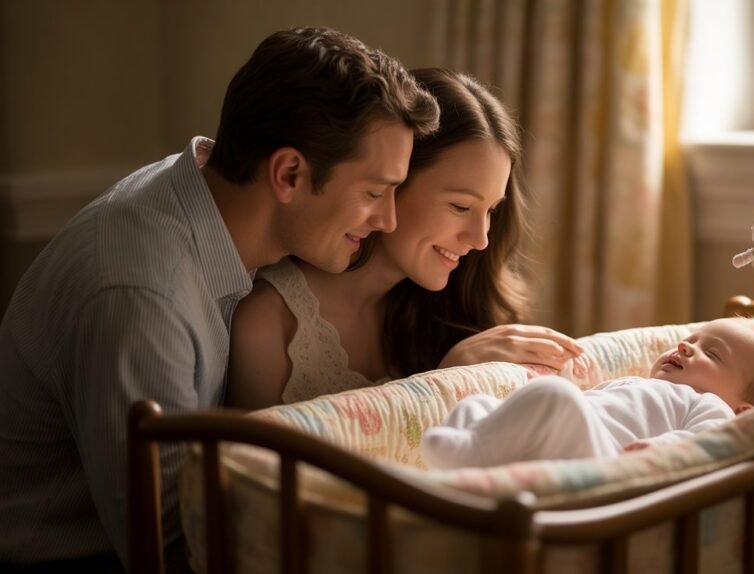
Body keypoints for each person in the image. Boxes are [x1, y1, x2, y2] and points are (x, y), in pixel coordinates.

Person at [0, 27, 439, 572]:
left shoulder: (209, 198)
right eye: (374, 193)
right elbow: (170, 546)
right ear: (289, 173)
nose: (388, 220)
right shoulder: (143, 295)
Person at [227, 68, 583, 409]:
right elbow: (254, 470)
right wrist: (443, 384)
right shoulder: (268, 324)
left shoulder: (455, 313)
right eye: (460, 206)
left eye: (490, 211)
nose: (480, 240)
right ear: (392, 181)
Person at [420, 318, 754, 469]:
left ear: (742, 411)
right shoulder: (633, 383)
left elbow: (705, 442)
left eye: (711, 354)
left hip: (603, 466)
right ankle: (470, 452)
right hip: (560, 446)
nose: (685, 346)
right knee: (479, 403)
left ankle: (467, 460)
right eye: (690, 340)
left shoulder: (712, 407)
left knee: (554, 396)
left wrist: (663, 450)